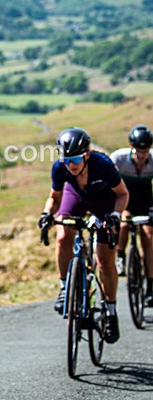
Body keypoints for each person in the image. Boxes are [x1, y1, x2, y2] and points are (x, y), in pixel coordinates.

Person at [38, 127, 129, 343]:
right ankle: (65, 288)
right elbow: (54, 197)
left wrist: (115, 215)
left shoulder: (103, 164)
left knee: (105, 260)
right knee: (62, 236)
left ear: (86, 155)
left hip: (104, 202)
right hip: (76, 197)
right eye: (67, 159)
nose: (71, 164)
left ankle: (111, 312)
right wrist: (46, 214)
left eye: (76, 159)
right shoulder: (60, 168)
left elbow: (122, 194)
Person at [110, 124, 153, 305]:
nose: (141, 155)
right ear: (130, 146)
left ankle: (150, 285)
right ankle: (120, 255)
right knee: (124, 224)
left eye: (145, 151)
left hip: (146, 202)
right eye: (137, 150)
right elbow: (108, 183)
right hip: (126, 200)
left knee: (148, 236)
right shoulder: (119, 159)